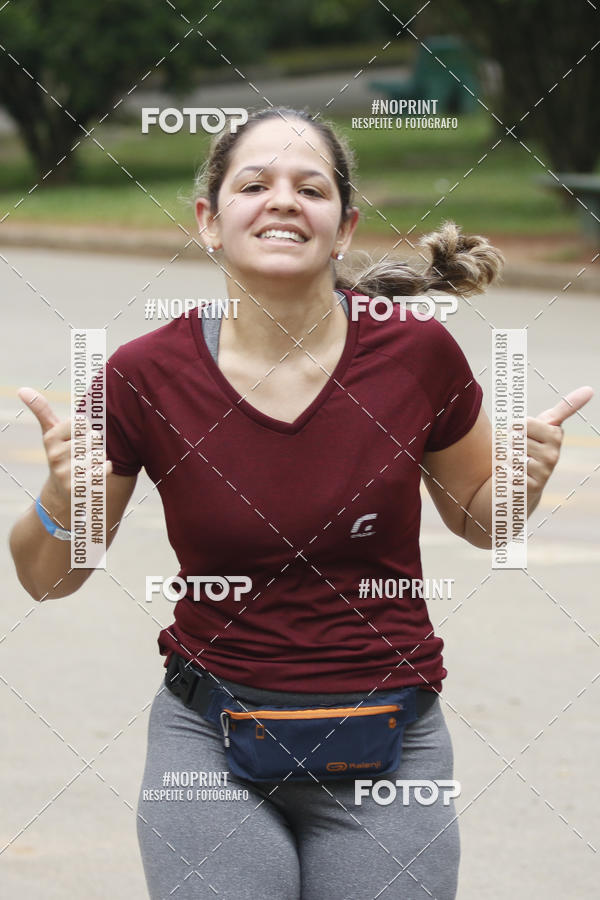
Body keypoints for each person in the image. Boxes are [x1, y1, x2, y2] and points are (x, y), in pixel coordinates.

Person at [10, 107, 593, 900]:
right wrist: (58, 492)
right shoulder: (143, 375)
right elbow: (47, 580)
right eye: (254, 184)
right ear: (211, 223)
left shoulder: (417, 352)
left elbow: (482, 521)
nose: (283, 200)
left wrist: (521, 484)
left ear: (343, 227)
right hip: (210, 739)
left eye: (309, 187)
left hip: (390, 738)